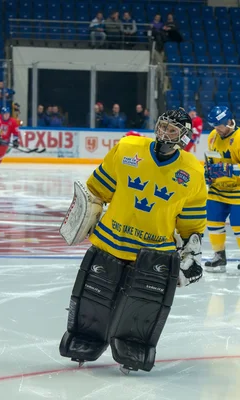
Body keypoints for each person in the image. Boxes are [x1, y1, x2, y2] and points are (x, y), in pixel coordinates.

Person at [57, 109, 206, 373]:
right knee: (94, 297)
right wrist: (85, 213)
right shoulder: (127, 148)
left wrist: (190, 255)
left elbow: (190, 224)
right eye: (163, 126)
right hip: (110, 242)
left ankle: (134, 347)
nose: (164, 133)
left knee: (143, 306)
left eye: (173, 130)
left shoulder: (193, 172)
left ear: (184, 137)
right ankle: (85, 338)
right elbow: (97, 189)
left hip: (154, 253)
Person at [204, 106, 240, 275]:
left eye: (219, 125)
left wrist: (227, 169)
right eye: (214, 126)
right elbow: (211, 161)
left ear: (228, 122)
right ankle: (219, 256)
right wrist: (209, 173)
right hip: (217, 189)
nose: (217, 129)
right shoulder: (213, 136)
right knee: (213, 222)